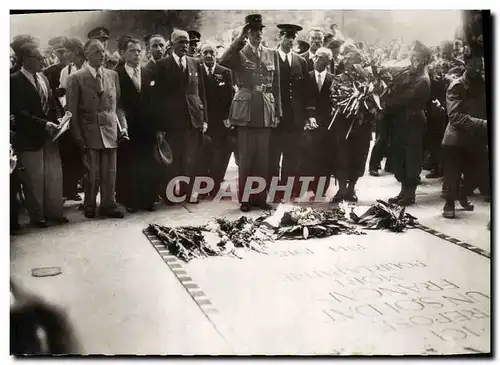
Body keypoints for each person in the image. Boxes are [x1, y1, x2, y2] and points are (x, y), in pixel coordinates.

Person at [219, 14, 282, 212]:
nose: (257, 35)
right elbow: (223, 61)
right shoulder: (239, 52)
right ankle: (245, 199)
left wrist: (277, 112)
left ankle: (260, 198)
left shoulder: (271, 54)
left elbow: (277, 86)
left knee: (263, 159)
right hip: (246, 111)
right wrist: (239, 39)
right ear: (247, 34)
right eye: (253, 31)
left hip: (265, 110)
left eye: (260, 31)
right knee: (246, 158)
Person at [66, 39, 128, 219]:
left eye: (102, 51)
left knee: (110, 172)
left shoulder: (112, 75)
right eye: (96, 52)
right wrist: (78, 137)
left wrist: (123, 127)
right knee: (92, 173)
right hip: (89, 131)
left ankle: (109, 205)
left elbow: (118, 106)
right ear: (86, 55)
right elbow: (72, 112)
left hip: (110, 130)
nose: (101, 55)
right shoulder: (75, 78)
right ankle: (90, 205)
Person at [10, 42, 68, 227]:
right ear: (25, 59)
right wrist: (44, 124)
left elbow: (51, 103)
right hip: (29, 137)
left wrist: (60, 119)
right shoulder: (13, 80)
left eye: (43, 58)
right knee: (34, 179)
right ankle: (38, 217)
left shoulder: (42, 77)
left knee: (53, 176)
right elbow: (20, 112)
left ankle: (54, 212)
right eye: (38, 58)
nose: (43, 61)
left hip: (50, 135)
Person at [152, 29, 208, 205]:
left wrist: (203, 118)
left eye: (187, 42)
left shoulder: (195, 63)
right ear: (172, 44)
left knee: (190, 158)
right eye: (181, 42)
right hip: (172, 122)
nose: (185, 45)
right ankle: (170, 195)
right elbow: (157, 98)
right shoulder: (162, 65)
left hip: (193, 119)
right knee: (172, 160)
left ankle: (187, 192)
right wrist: (159, 126)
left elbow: (201, 93)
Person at [115, 38, 159, 212]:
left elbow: (156, 101)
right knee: (129, 162)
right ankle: (129, 199)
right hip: (128, 125)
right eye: (132, 51)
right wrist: (121, 126)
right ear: (123, 53)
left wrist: (158, 126)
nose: (137, 54)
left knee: (147, 161)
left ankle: (148, 198)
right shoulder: (116, 74)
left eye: (139, 51)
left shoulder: (148, 73)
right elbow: (116, 103)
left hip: (147, 126)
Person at [441, 53, 488, 218]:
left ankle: (462, 195)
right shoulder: (456, 86)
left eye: (479, 64)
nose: (477, 68)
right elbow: (455, 116)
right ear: (465, 66)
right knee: (452, 175)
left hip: (476, 139)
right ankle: (449, 203)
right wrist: (483, 124)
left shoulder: (482, 84)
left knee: (475, 174)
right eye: (473, 64)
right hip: (456, 139)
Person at [386, 41, 432, 206]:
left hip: (413, 120)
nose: (412, 58)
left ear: (424, 59)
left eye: (416, 56)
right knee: (400, 156)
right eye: (411, 55)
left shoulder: (422, 79)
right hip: (402, 120)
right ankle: (403, 191)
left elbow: (405, 98)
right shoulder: (410, 74)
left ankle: (410, 193)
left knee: (412, 157)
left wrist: (388, 99)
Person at [269, 24, 309, 200]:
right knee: (273, 154)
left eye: (293, 37)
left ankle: (287, 189)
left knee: (292, 155)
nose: (291, 41)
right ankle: (273, 189)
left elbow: (305, 91)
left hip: (295, 117)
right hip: (276, 115)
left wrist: (307, 115)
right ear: (280, 37)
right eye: (287, 37)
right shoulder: (270, 57)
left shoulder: (300, 61)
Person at [198, 42, 234, 198]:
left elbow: (230, 97)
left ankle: (214, 186)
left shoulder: (225, 72)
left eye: (211, 53)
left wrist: (229, 118)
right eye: (205, 52)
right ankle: (204, 186)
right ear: (201, 55)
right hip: (204, 120)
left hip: (221, 121)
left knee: (220, 154)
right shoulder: (197, 72)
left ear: (216, 55)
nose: (208, 56)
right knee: (204, 153)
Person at [57, 37, 87, 203]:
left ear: (76, 51)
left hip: (88, 116)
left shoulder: (89, 66)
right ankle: (70, 189)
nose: (65, 54)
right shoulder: (65, 71)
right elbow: (62, 93)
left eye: (67, 51)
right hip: (72, 117)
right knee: (73, 154)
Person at [302, 47, 335, 197]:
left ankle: (321, 189)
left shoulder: (333, 79)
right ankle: (308, 186)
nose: (316, 60)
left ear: (328, 62)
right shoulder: (306, 77)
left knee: (325, 156)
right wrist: (309, 116)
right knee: (309, 155)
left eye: (321, 58)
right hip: (309, 123)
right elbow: (302, 99)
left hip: (327, 125)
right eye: (315, 57)